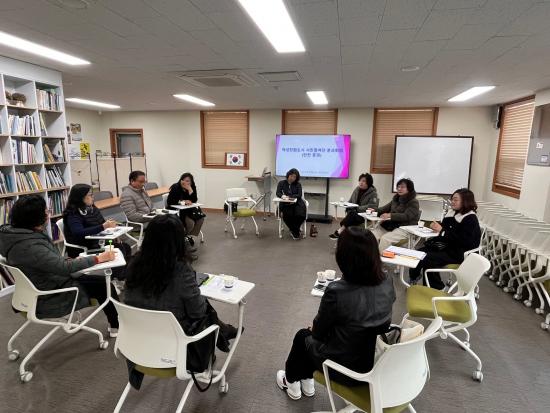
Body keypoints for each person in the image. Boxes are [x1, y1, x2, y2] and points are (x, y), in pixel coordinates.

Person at [276, 227, 395, 400]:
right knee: (313, 337)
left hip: (347, 369)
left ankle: (292, 382)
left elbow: (318, 333)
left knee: (303, 336)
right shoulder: (387, 280)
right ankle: (307, 381)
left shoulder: (337, 291)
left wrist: (315, 328)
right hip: (376, 360)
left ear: (343, 256)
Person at [124, 215, 238, 377]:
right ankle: (224, 331)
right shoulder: (180, 271)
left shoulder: (134, 264)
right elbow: (197, 313)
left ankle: (224, 330)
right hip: (176, 347)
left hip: (139, 344)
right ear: (178, 240)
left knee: (198, 304)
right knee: (205, 308)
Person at [0, 195, 120, 336]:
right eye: (46, 211)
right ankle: (117, 325)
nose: (48, 213)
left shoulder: (17, 236)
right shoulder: (30, 245)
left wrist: (69, 261)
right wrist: (98, 258)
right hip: (50, 294)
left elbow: (48, 262)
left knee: (92, 277)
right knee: (104, 285)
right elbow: (63, 268)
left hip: (39, 286)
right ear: (36, 217)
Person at [409, 188, 481, 290]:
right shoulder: (452, 212)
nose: (452, 202)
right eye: (452, 199)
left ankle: (438, 288)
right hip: (447, 247)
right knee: (418, 253)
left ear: (465, 201)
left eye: (456, 200)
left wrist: (442, 231)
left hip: (460, 252)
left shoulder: (470, 218)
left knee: (428, 258)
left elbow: (464, 241)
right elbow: (445, 228)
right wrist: (436, 227)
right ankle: (414, 277)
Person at [62, 184, 132, 275]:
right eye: (90, 195)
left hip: (97, 241)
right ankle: (117, 276)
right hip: (84, 247)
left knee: (125, 246)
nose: (93, 197)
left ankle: (124, 274)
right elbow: (79, 232)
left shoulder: (92, 208)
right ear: (81, 197)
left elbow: (102, 223)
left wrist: (113, 232)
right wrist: (103, 226)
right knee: (118, 248)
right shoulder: (73, 214)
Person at [371, 178, 421, 253]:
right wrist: (374, 210)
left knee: (385, 239)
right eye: (398, 187)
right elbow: (384, 208)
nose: (399, 189)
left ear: (409, 189)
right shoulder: (396, 199)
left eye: (403, 187)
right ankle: (371, 256)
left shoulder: (413, 202)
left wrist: (390, 215)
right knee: (371, 235)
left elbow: (407, 216)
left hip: (404, 228)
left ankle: (380, 259)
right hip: (391, 225)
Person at [329, 173, 379, 239]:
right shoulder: (357, 189)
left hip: (363, 215)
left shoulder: (373, 193)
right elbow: (350, 201)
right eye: (360, 180)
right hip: (353, 213)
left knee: (352, 214)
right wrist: (346, 205)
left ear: (368, 182)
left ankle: (340, 231)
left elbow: (372, 206)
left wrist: (357, 208)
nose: (361, 182)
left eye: (363, 181)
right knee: (351, 213)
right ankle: (342, 232)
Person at [166, 173, 205, 245]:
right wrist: (182, 202)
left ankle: (188, 235)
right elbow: (170, 201)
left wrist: (190, 190)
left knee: (200, 219)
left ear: (191, 182)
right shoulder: (176, 187)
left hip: (189, 210)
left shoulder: (192, 187)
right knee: (190, 223)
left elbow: (194, 200)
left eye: (188, 181)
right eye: (184, 180)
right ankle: (181, 237)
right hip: (177, 211)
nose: (185, 182)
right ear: (181, 180)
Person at [276, 168, 307, 240]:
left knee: (300, 215)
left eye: (294, 177)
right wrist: (282, 196)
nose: (292, 178)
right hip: (286, 203)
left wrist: (290, 196)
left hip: (297, 203)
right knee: (287, 215)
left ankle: (294, 230)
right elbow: (278, 193)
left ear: (296, 178)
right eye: (291, 176)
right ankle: (295, 231)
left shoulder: (298, 184)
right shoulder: (281, 183)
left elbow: (299, 195)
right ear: (288, 175)